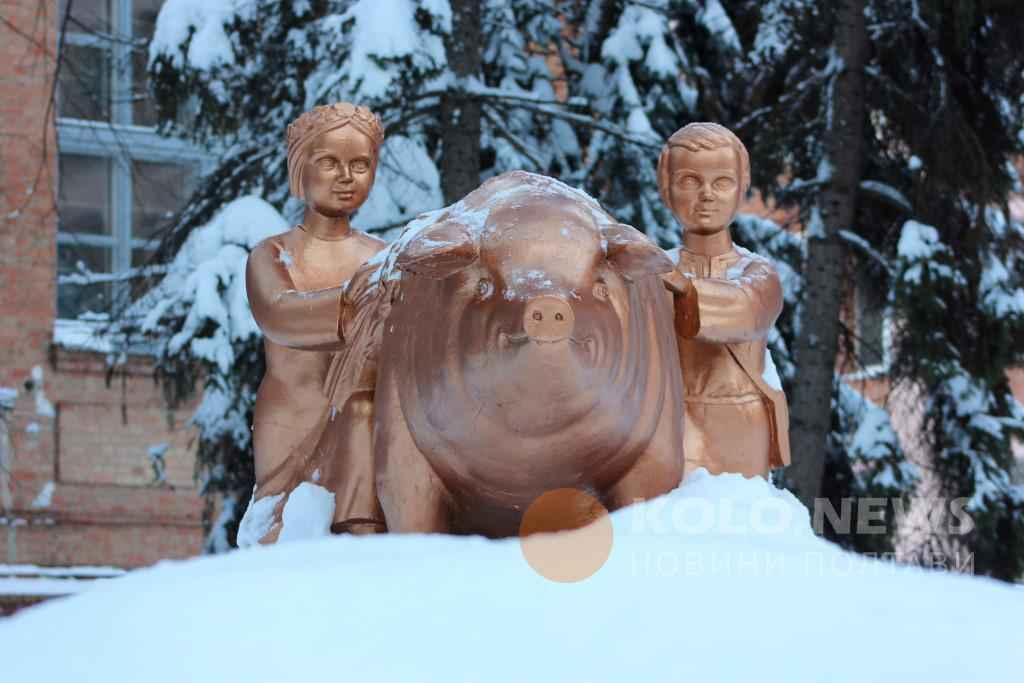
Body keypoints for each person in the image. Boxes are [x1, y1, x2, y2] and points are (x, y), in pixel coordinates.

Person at [244, 102, 387, 542]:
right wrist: (361, 303)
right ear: (299, 169)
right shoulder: (272, 254)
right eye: (329, 162)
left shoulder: (383, 257)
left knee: (362, 532)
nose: (346, 177)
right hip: (293, 416)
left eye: (360, 164)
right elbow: (280, 313)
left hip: (366, 417)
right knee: (287, 532)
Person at [657, 122, 791, 478]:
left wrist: (684, 290)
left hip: (740, 427)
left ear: (742, 188)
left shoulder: (759, 272)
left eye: (722, 182)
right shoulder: (650, 272)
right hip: (667, 424)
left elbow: (745, 311)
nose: (706, 195)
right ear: (665, 189)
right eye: (689, 181)